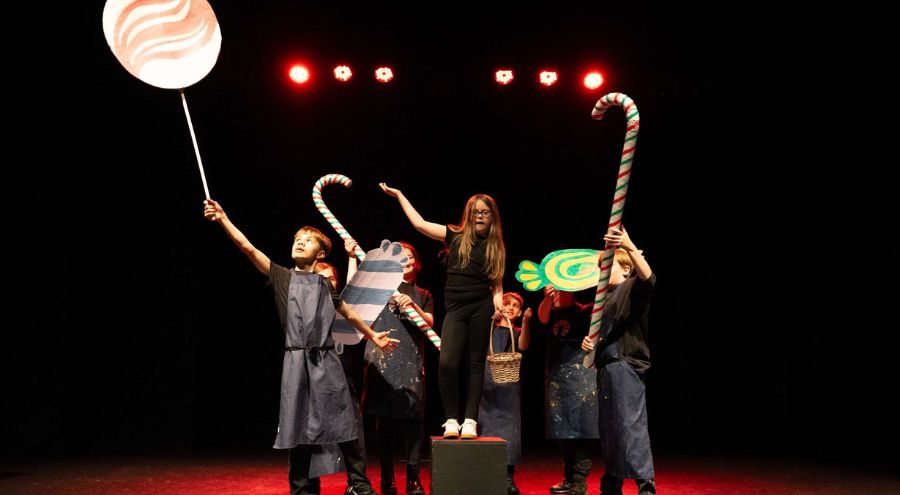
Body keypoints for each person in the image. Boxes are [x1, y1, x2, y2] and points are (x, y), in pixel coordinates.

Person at [203, 199, 399, 495]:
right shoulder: (282, 276)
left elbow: (347, 311)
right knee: (299, 425)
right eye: (297, 239)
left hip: (326, 359)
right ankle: (303, 487)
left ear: (320, 254)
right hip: (296, 363)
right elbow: (248, 248)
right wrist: (223, 219)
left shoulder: (325, 284)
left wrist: (374, 336)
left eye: (307, 240)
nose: (299, 242)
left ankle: (358, 483)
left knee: (344, 420)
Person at [379, 183, 506, 440]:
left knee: (474, 365)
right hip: (456, 309)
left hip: (481, 307)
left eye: (485, 212)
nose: (480, 216)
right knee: (448, 363)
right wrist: (401, 195)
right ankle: (451, 419)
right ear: (468, 215)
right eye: (476, 212)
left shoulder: (496, 248)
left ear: (492, 217)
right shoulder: (455, 236)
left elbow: (497, 287)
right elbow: (420, 224)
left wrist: (498, 304)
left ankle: (469, 420)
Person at [346, 239, 433, 495]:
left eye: (409, 256)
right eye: (399, 256)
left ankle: (413, 479)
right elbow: (352, 297)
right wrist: (352, 257)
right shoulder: (380, 287)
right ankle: (387, 477)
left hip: (410, 360)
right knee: (383, 420)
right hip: (380, 357)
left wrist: (413, 305)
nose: (404, 259)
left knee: (413, 418)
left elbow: (429, 323)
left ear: (417, 264)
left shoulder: (424, 294)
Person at [581, 226, 656, 495]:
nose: (603, 272)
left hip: (626, 363)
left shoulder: (631, 287)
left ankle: (645, 483)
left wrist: (628, 244)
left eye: (608, 265)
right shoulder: (602, 301)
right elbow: (599, 337)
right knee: (610, 427)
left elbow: (649, 279)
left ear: (625, 269)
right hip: (607, 366)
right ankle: (612, 481)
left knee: (629, 425)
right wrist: (590, 344)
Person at [539, 284, 599, 495]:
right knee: (563, 428)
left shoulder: (585, 310)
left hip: (581, 374)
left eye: (559, 290)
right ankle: (568, 478)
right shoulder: (551, 312)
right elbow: (543, 318)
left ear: (570, 290)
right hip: (557, 377)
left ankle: (580, 481)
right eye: (553, 290)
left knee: (583, 427)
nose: (555, 294)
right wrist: (547, 298)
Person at [478, 292, 532, 494]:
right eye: (506, 303)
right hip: (487, 385)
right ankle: (487, 474)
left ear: (519, 311)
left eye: (515, 305)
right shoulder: (488, 328)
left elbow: (524, 345)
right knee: (485, 428)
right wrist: (494, 315)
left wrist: (526, 321)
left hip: (509, 389)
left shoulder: (517, 331)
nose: (510, 307)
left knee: (510, 431)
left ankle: (508, 476)